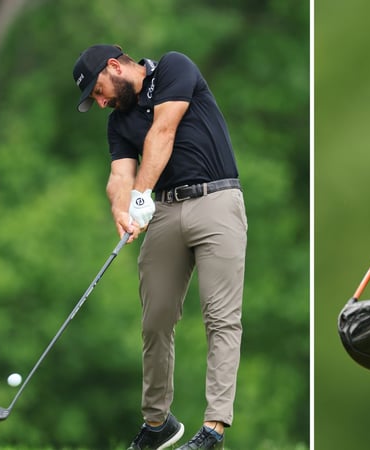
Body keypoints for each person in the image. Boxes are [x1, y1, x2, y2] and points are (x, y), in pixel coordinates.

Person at [73, 44, 247, 450]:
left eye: (99, 91)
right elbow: (120, 174)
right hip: (165, 212)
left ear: (114, 67)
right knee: (156, 319)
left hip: (217, 200)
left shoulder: (173, 67)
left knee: (221, 318)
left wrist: (139, 197)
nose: (101, 103)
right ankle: (157, 423)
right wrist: (122, 208)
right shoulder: (118, 122)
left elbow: (163, 132)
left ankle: (214, 428)